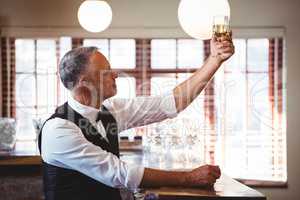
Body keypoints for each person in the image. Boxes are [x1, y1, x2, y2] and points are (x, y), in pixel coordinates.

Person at [38, 36, 234, 200]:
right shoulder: (58, 130)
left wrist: (214, 60)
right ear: (84, 83)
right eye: (106, 72)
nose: (115, 74)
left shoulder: (110, 110)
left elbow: (170, 103)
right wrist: (188, 178)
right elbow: (120, 174)